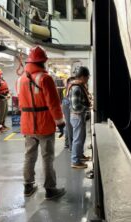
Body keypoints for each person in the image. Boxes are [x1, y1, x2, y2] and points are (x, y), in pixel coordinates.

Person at [17, 45, 66, 199]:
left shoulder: (20, 80)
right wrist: (60, 123)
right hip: (44, 125)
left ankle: (28, 186)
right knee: (47, 157)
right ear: (42, 61)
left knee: (29, 156)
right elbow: (53, 103)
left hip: (27, 124)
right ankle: (50, 190)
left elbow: (20, 104)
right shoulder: (45, 78)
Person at [68, 66, 91, 169]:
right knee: (77, 139)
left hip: (79, 116)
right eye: (87, 77)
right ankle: (75, 161)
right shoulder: (76, 88)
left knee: (81, 138)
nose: (88, 79)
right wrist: (89, 108)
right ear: (82, 77)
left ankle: (80, 156)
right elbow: (76, 106)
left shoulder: (79, 86)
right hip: (77, 116)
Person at [62, 77, 75, 151]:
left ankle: (67, 143)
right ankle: (71, 147)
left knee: (68, 125)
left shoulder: (67, 88)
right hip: (67, 105)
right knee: (70, 126)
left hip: (66, 104)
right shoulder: (71, 87)